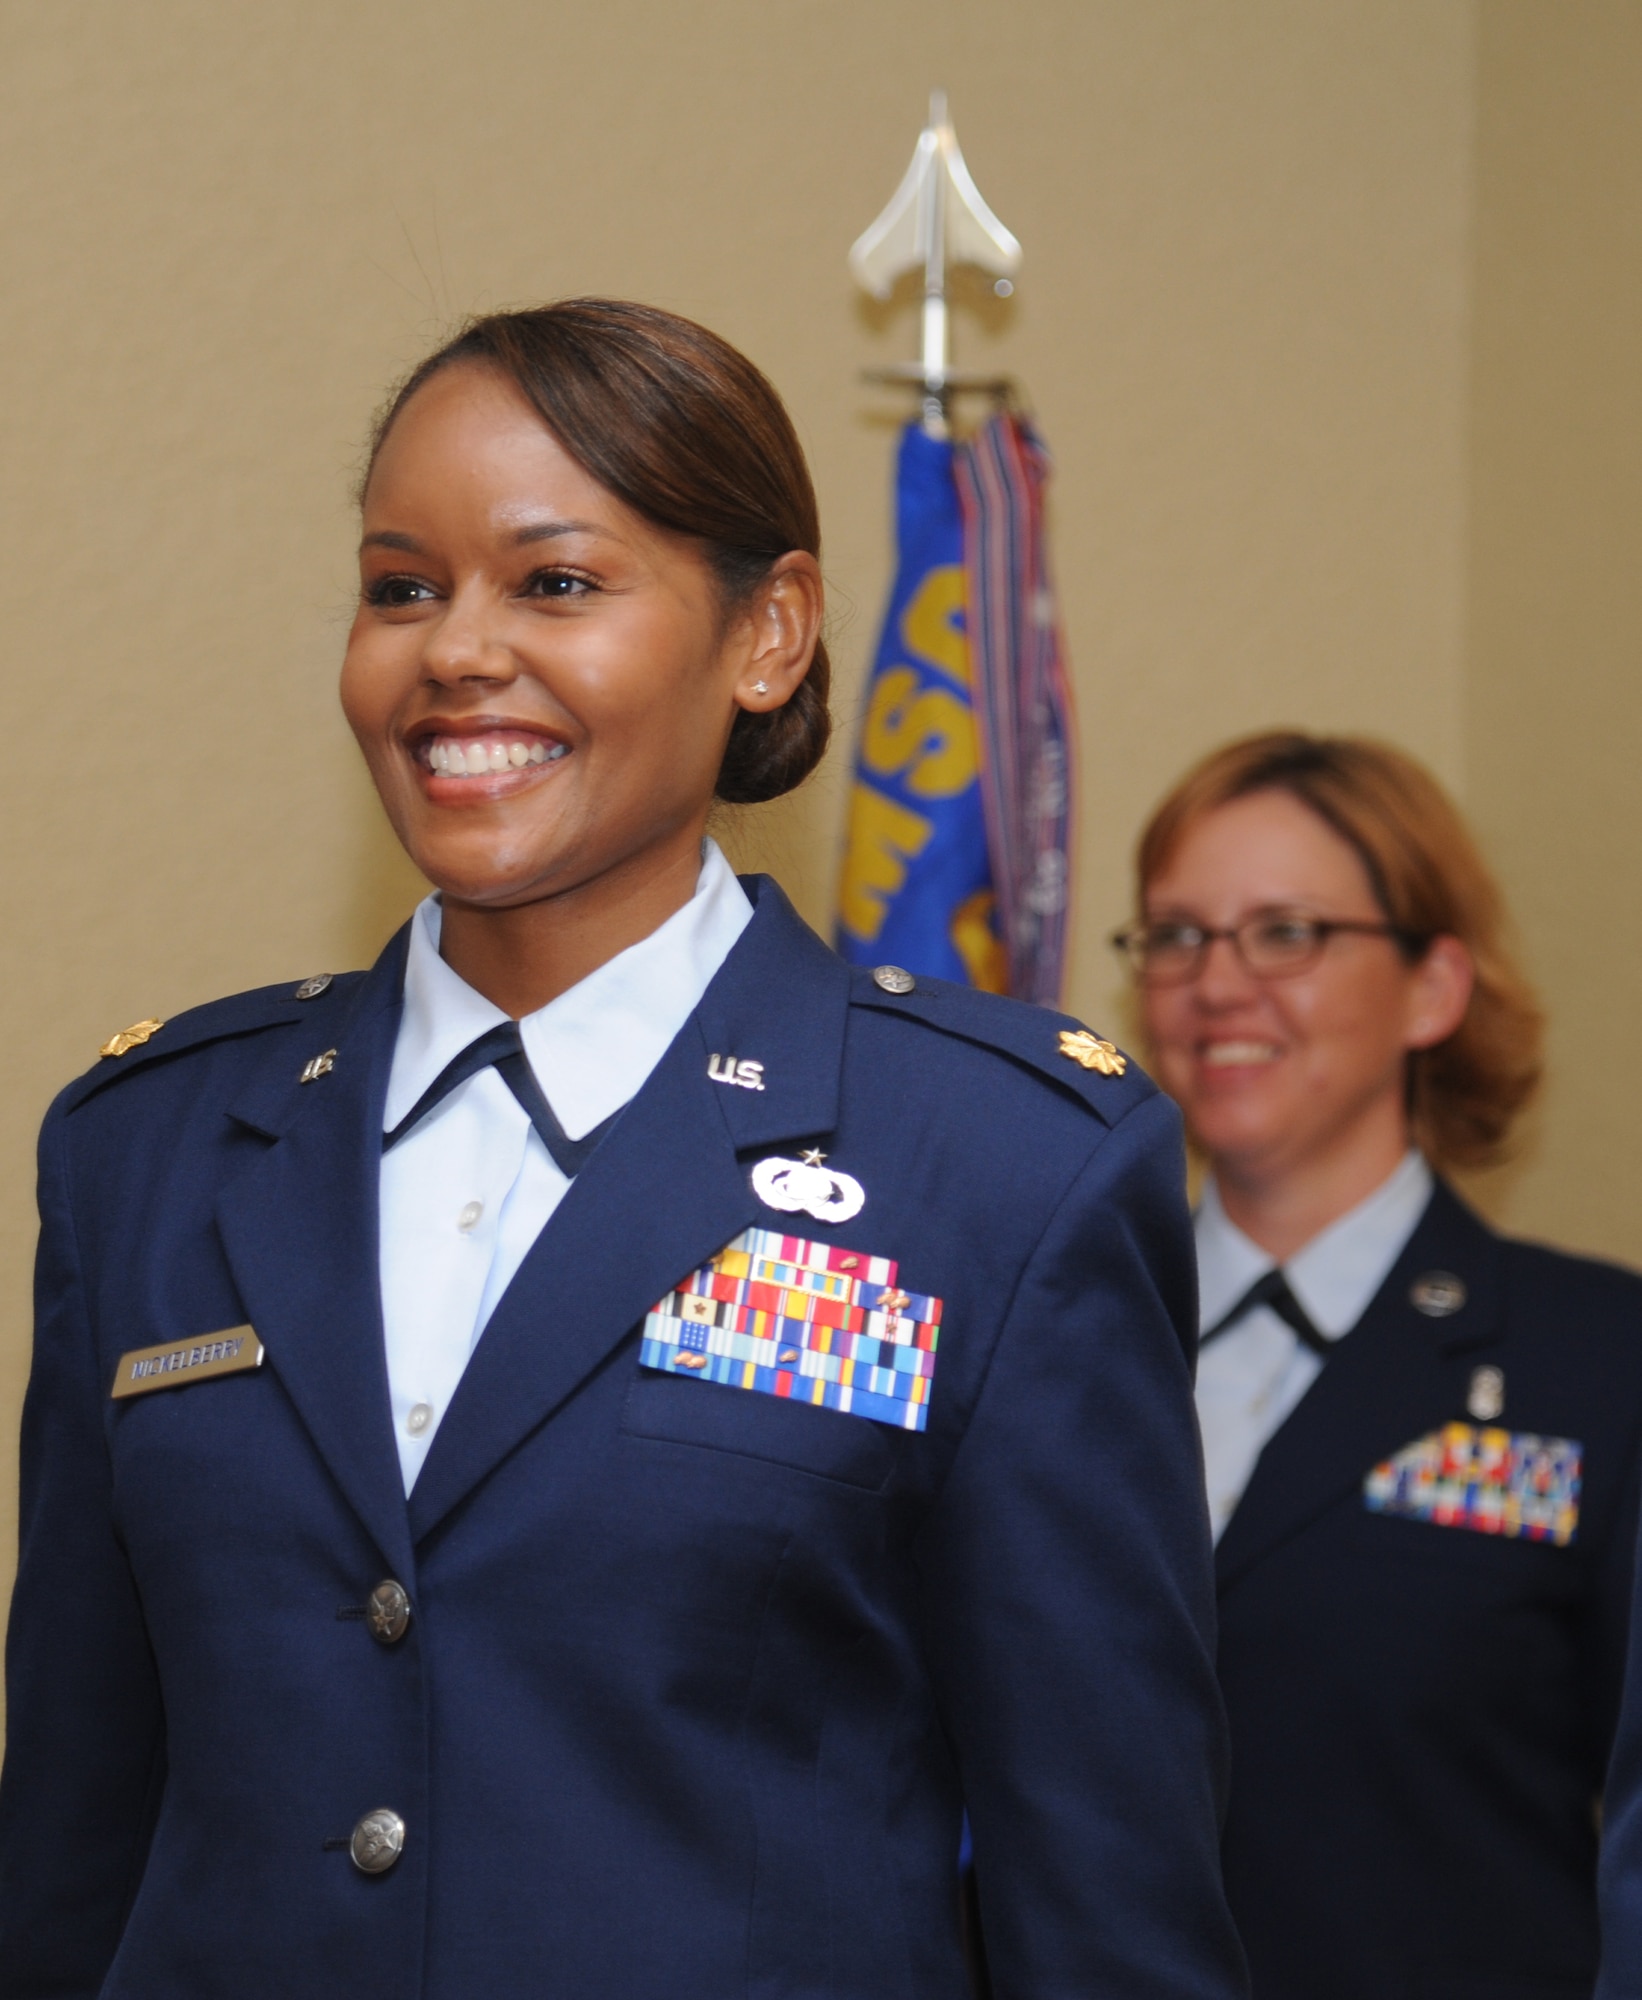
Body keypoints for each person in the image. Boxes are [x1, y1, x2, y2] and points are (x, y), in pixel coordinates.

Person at [0, 299, 1246, 1999]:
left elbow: (1103, 1912)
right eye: (401, 586)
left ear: (769, 634)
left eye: (557, 583)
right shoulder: (146, 1150)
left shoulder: (999, 1168)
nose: (454, 651)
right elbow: (73, 1848)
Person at [1115, 730, 1642, 2000]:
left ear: (1431, 987)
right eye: (1176, 934)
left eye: (1285, 931)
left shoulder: (1600, 1361)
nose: (1216, 983)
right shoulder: (1061, 1335)